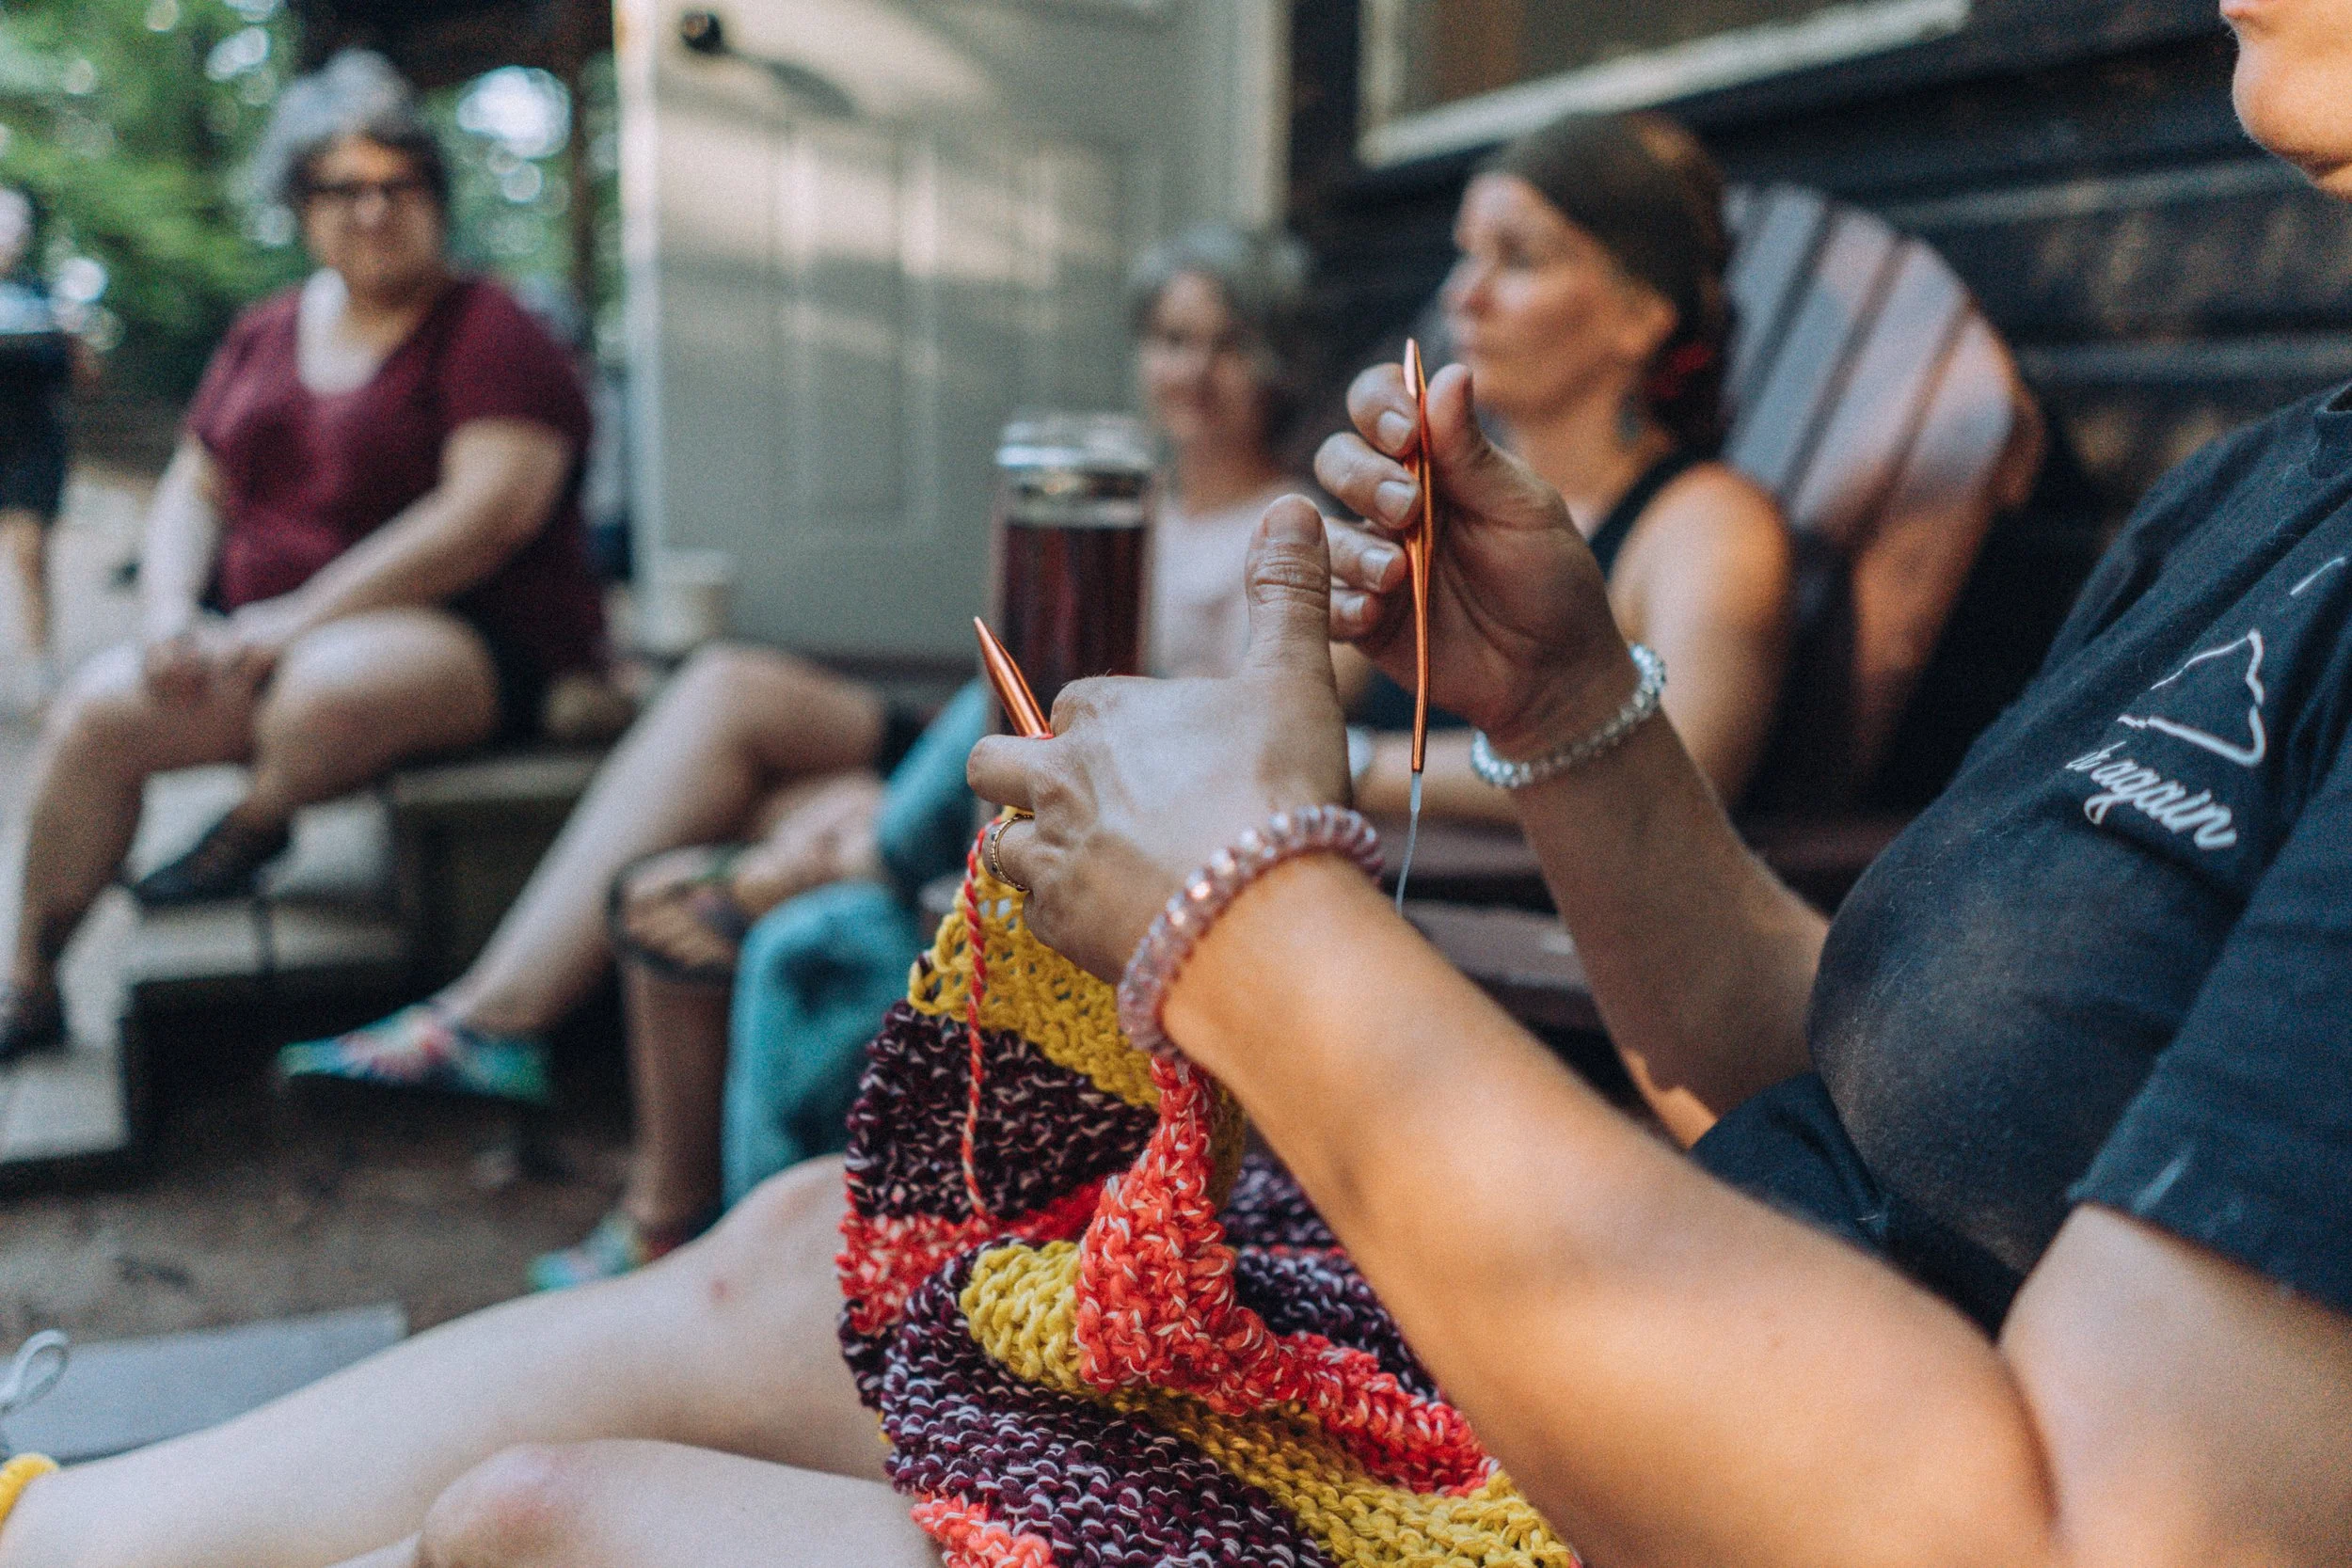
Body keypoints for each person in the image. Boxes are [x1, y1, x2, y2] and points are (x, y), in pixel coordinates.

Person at [8, 6, 2352, 1556]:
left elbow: (2075, 1531)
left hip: (1723, 1479)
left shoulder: (1736, 520)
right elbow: (1838, 1063)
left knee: (559, 1519)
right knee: (808, 1251)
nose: (1470, 277)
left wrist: (1244, 895)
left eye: (1525, 250)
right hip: (1733, 1306)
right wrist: (1557, 704)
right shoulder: (2268, 488)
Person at [283, 224, 1320, 1289]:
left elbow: (1240, 745)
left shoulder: (1284, 531)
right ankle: (663, 1208)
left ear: (1278, 358)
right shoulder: (1120, 498)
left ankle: (696, 1209)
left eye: (1226, 343)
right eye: (1170, 338)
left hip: (1111, 822)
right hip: (1014, 785)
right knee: (693, 819)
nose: (1192, 371)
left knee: (769, 902)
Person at [0, 55, 606, 1063]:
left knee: (324, 692)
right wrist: (164, 613)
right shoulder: (266, 329)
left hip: (470, 637)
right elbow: (196, 489)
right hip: (260, 638)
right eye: (340, 188)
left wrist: (300, 616)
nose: (371, 211)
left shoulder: (491, 329)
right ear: (299, 202)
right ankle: (29, 976)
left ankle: (249, 824)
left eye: (397, 185)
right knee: (95, 715)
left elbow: (484, 519)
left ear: (435, 198)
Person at [1343, 110, 1791, 821]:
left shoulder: (1710, 527)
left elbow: (1686, 771)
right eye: (1467, 254)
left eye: (1518, 259)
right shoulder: (1436, 501)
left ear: (1640, 315)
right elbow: (1303, 687)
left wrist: (1356, 766)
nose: (1464, 294)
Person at [0, 187, 77, 709]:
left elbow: (77, 376)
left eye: (16, 225)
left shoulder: (46, 297)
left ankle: (38, 663)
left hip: (33, 442)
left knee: (30, 553)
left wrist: (76, 339)